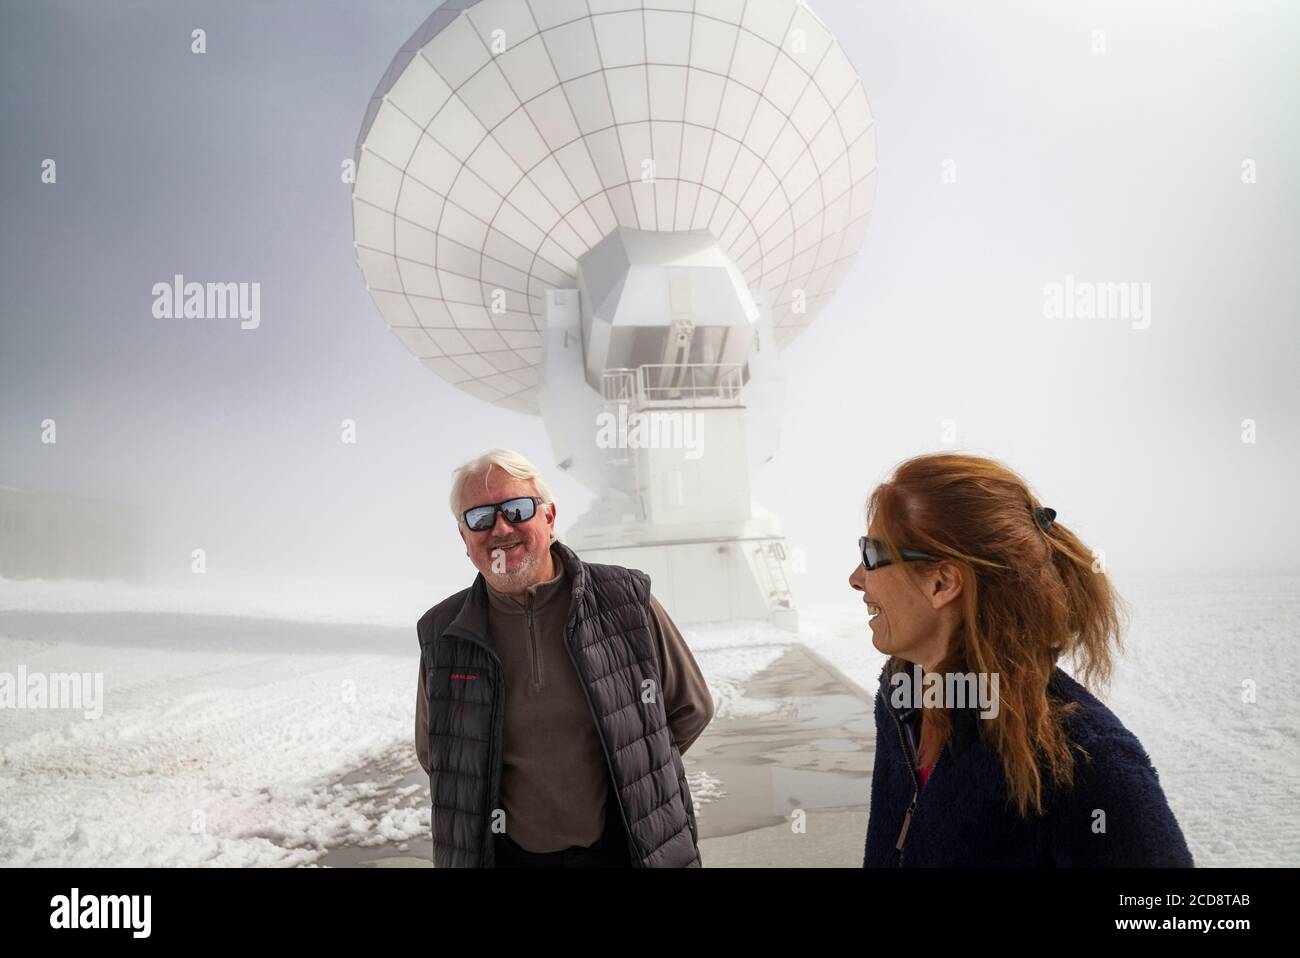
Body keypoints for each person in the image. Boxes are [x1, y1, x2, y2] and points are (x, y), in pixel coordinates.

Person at [850, 452, 1193, 867]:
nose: (856, 578)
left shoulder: (1085, 761)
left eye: (872, 554)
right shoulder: (901, 699)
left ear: (942, 582)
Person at [415, 448, 713, 867]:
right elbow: (438, 754)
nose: (501, 528)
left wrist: (633, 780)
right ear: (465, 539)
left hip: (626, 851)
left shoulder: (626, 600)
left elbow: (690, 707)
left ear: (549, 519)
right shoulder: (443, 633)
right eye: (479, 518)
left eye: (517, 510)